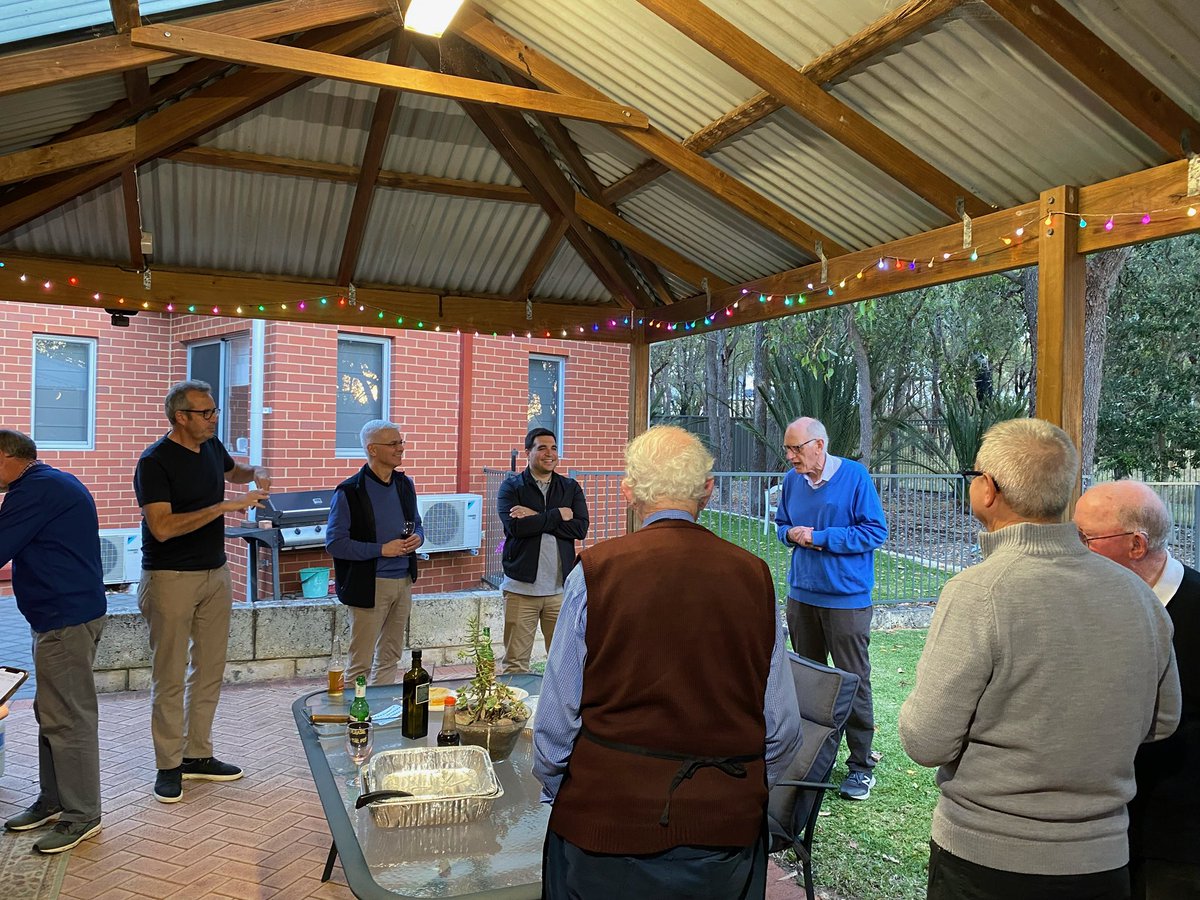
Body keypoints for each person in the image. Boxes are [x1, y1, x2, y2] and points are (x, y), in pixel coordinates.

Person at [898, 419, 1180, 900]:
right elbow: (1164, 720)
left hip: (988, 861)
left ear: (988, 489)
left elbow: (926, 741)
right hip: (1104, 864)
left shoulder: (979, 592)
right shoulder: (1138, 594)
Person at [534, 425, 802, 900]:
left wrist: (563, 788)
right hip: (723, 835)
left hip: (603, 826)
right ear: (708, 489)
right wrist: (731, 791)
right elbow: (782, 729)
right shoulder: (754, 577)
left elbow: (555, 725)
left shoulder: (596, 573)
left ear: (628, 492)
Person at [134, 379, 270, 804]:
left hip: (215, 573)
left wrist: (258, 472)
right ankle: (168, 765)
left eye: (214, 412)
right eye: (206, 413)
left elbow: (235, 472)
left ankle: (197, 756)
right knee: (170, 675)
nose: (214, 419)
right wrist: (223, 507)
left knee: (210, 670)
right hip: (170, 577)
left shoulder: (211, 446)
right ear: (180, 417)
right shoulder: (154, 462)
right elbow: (163, 527)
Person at [1075, 480, 1200, 899]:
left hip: (1176, 842)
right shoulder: (1082, 604)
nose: (1073, 549)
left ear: (1136, 545)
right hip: (1096, 832)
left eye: (1085, 538)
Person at [0, 431, 107, 853]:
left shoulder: (36, 490)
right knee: (53, 710)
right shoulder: (47, 481)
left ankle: (82, 815)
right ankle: (54, 800)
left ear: (7, 457)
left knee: (68, 717)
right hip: (60, 614)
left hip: (65, 619)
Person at [774, 416, 887, 800]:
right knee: (809, 683)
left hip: (846, 599)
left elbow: (875, 532)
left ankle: (860, 766)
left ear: (819, 445)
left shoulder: (855, 477)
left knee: (852, 680)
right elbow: (780, 524)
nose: (790, 456)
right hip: (802, 595)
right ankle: (810, 761)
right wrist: (788, 532)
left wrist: (821, 537)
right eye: (788, 449)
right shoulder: (792, 482)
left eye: (796, 448)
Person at [326, 419, 424, 685]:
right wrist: (381, 549)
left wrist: (418, 538)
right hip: (370, 586)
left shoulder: (405, 485)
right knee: (360, 663)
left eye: (401, 442)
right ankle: (353, 722)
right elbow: (335, 543)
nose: (401, 448)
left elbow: (417, 523)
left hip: (403, 581)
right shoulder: (349, 492)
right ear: (372, 449)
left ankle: (380, 717)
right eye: (393, 443)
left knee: (390, 657)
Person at [496, 428, 588, 674]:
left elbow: (580, 528)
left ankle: (556, 713)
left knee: (564, 664)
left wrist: (536, 517)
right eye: (542, 448)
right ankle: (514, 712)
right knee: (515, 664)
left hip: (560, 591)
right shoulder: (511, 487)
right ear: (528, 452)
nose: (550, 454)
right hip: (520, 591)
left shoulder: (570, 488)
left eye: (554, 448)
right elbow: (516, 527)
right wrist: (558, 515)